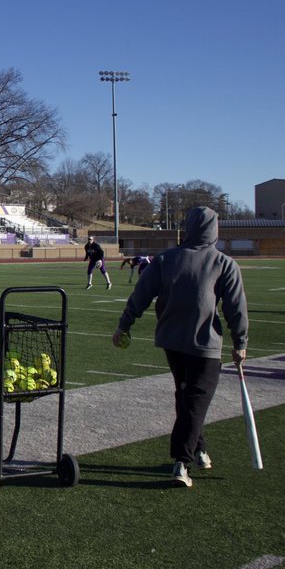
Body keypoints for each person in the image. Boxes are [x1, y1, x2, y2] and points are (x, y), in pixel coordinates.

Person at [111, 207, 248, 488]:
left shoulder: (166, 260)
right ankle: (181, 461)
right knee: (195, 400)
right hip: (204, 343)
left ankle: (198, 450)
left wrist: (125, 324)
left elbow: (141, 295)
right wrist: (240, 341)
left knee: (187, 397)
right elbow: (236, 308)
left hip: (172, 341)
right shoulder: (223, 263)